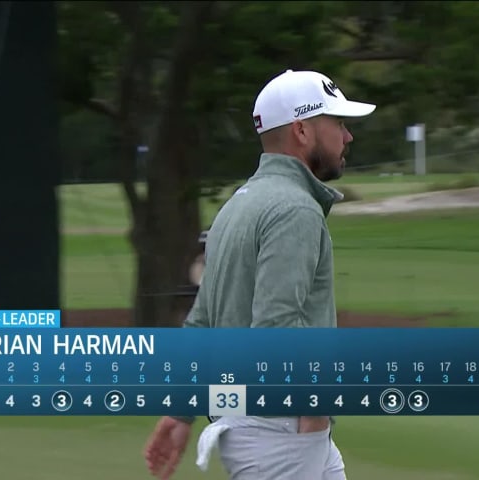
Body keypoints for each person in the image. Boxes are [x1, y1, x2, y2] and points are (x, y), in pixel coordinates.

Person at [143, 69, 376, 480]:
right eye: (338, 123)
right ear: (302, 131)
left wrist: (180, 410)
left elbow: (202, 319)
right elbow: (278, 324)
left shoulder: (237, 206)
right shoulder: (295, 210)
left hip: (255, 422)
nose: (348, 136)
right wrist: (314, 411)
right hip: (282, 427)